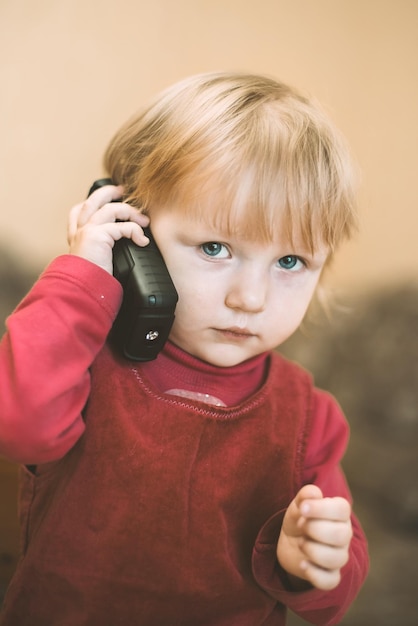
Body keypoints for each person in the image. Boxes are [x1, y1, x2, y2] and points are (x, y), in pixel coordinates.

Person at [0, 72, 368, 625]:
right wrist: (82, 277)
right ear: (132, 230)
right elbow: (22, 424)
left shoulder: (311, 418)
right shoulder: (81, 362)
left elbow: (334, 596)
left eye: (291, 262)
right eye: (216, 247)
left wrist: (313, 563)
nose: (251, 297)